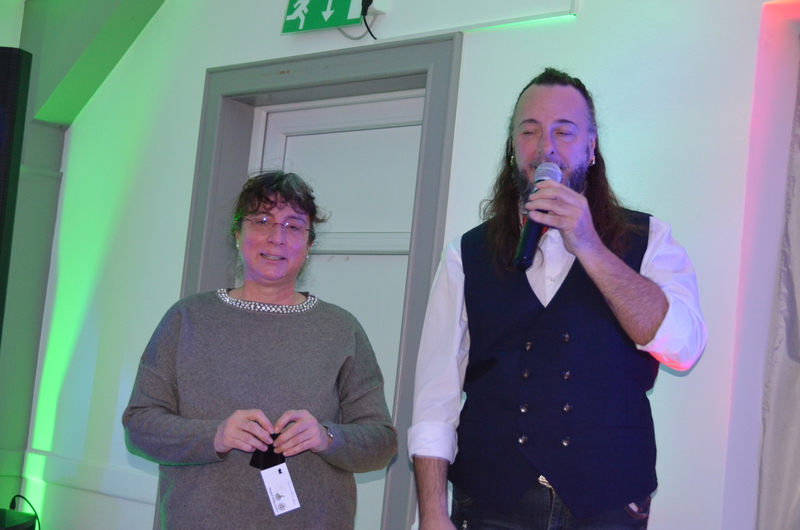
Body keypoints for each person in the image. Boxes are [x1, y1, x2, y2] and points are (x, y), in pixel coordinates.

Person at [408, 68, 707, 529]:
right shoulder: (465, 254)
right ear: (513, 147)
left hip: (607, 502)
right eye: (529, 131)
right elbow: (436, 394)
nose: (545, 147)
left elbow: (684, 348)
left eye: (564, 132)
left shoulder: (648, 239)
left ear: (591, 146)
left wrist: (590, 245)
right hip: (491, 503)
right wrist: (431, 511)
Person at [123, 171, 397, 529]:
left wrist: (327, 437)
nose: (276, 237)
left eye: (293, 226)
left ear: (309, 245)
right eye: (262, 221)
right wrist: (215, 436)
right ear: (238, 234)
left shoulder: (341, 329)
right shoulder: (187, 318)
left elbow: (382, 441)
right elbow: (139, 426)